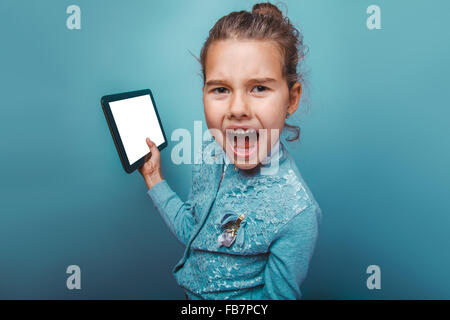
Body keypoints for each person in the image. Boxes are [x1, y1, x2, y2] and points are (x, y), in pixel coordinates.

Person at [138, 2, 322, 300]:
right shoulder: (210, 155)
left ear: (291, 99)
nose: (237, 109)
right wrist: (153, 177)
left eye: (259, 88)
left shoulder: (295, 212)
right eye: (221, 89)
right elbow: (195, 233)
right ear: (204, 95)